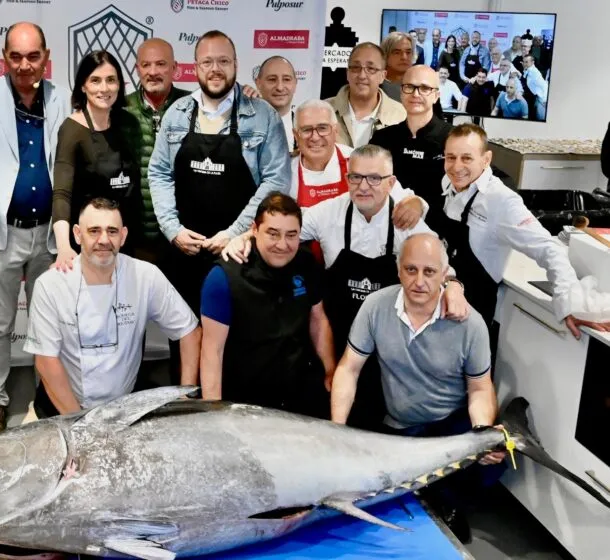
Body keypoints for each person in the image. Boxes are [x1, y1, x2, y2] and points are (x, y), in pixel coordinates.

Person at [223, 145, 467, 429]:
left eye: (374, 178)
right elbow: (281, 231)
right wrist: (243, 238)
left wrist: (454, 286)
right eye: (356, 177)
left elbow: (442, 267)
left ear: (391, 182)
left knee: (375, 420)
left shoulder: (406, 221)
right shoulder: (328, 212)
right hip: (335, 335)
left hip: (385, 343)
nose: (363, 186)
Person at [330, 232, 505, 543]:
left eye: (429, 272)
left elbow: (480, 388)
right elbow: (348, 368)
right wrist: (336, 431)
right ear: (398, 270)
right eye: (411, 270)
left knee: (490, 465)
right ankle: (433, 491)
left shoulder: (471, 324)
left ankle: (447, 498)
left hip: (448, 424)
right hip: (400, 425)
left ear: (444, 274)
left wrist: (480, 434)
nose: (419, 281)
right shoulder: (375, 306)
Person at [0, 22, 71, 438]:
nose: (25, 65)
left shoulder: (63, 97)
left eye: (33, 57)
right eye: (16, 56)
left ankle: (47, 399)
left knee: (51, 323)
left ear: (46, 57)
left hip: (50, 234)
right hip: (2, 233)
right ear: (4, 57)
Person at [148, 29, 289, 316]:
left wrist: (236, 234)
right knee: (185, 335)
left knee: (237, 335)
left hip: (239, 253)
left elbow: (276, 181)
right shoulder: (176, 114)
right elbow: (159, 172)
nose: (215, 69)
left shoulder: (263, 116)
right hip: (184, 252)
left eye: (223, 61)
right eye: (207, 62)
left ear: (236, 64)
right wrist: (173, 230)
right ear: (196, 67)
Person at [25, 197, 200, 416]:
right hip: (63, 408)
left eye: (112, 231)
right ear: (77, 234)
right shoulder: (51, 284)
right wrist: (79, 422)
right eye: (94, 231)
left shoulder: (145, 276)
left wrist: (185, 397)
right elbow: (46, 361)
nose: (104, 240)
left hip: (124, 407)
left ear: (123, 236)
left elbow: (190, 331)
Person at [438, 124, 610, 336]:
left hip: (471, 316)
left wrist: (571, 305)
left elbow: (549, 248)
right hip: (444, 302)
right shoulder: (449, 183)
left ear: (486, 159)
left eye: (467, 158)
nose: (456, 167)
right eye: (450, 157)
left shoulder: (501, 200)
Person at [200, 193, 333, 416]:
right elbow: (212, 352)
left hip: (300, 396)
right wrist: (213, 413)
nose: (282, 244)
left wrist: (330, 372)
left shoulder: (306, 262)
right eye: (273, 234)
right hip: (246, 401)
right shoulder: (223, 277)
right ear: (254, 229)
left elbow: (318, 320)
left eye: (291, 235)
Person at [52, 50, 142, 269]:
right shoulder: (72, 130)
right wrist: (63, 247)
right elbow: (62, 193)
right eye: (95, 80)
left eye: (111, 80)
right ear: (83, 86)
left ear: (119, 84)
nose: (104, 88)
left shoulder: (129, 123)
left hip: (125, 241)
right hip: (90, 244)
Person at [125, 38, 189, 264]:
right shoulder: (120, 108)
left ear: (175, 68)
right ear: (137, 69)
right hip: (135, 239)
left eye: (161, 64)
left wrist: (246, 95)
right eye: (146, 65)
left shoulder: (193, 105)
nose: (153, 72)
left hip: (183, 236)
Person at [370, 65, 452, 223]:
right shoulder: (382, 139)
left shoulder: (454, 138)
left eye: (425, 88)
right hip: (388, 227)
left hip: (438, 231)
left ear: (436, 96)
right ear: (401, 93)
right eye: (409, 87)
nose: (415, 94)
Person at [327, 42, 406, 148]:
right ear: (347, 73)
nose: (362, 75)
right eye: (356, 67)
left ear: (383, 76)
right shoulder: (322, 111)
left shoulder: (401, 116)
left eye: (371, 69)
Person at [254, 55, 298, 151]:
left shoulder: (306, 129)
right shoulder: (241, 126)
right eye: (272, 79)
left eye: (286, 79)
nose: (280, 87)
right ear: (258, 83)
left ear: (295, 84)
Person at [380, 31, 415, 101]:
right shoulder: (376, 86)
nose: (404, 57)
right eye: (397, 52)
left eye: (408, 52)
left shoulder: (421, 85)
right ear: (385, 55)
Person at [521, 55, 548, 120]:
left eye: (526, 62)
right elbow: (525, 78)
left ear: (532, 62)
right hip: (534, 97)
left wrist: (545, 100)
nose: (524, 64)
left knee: (539, 118)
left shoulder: (534, 72)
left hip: (541, 99)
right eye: (523, 62)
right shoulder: (528, 69)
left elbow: (544, 85)